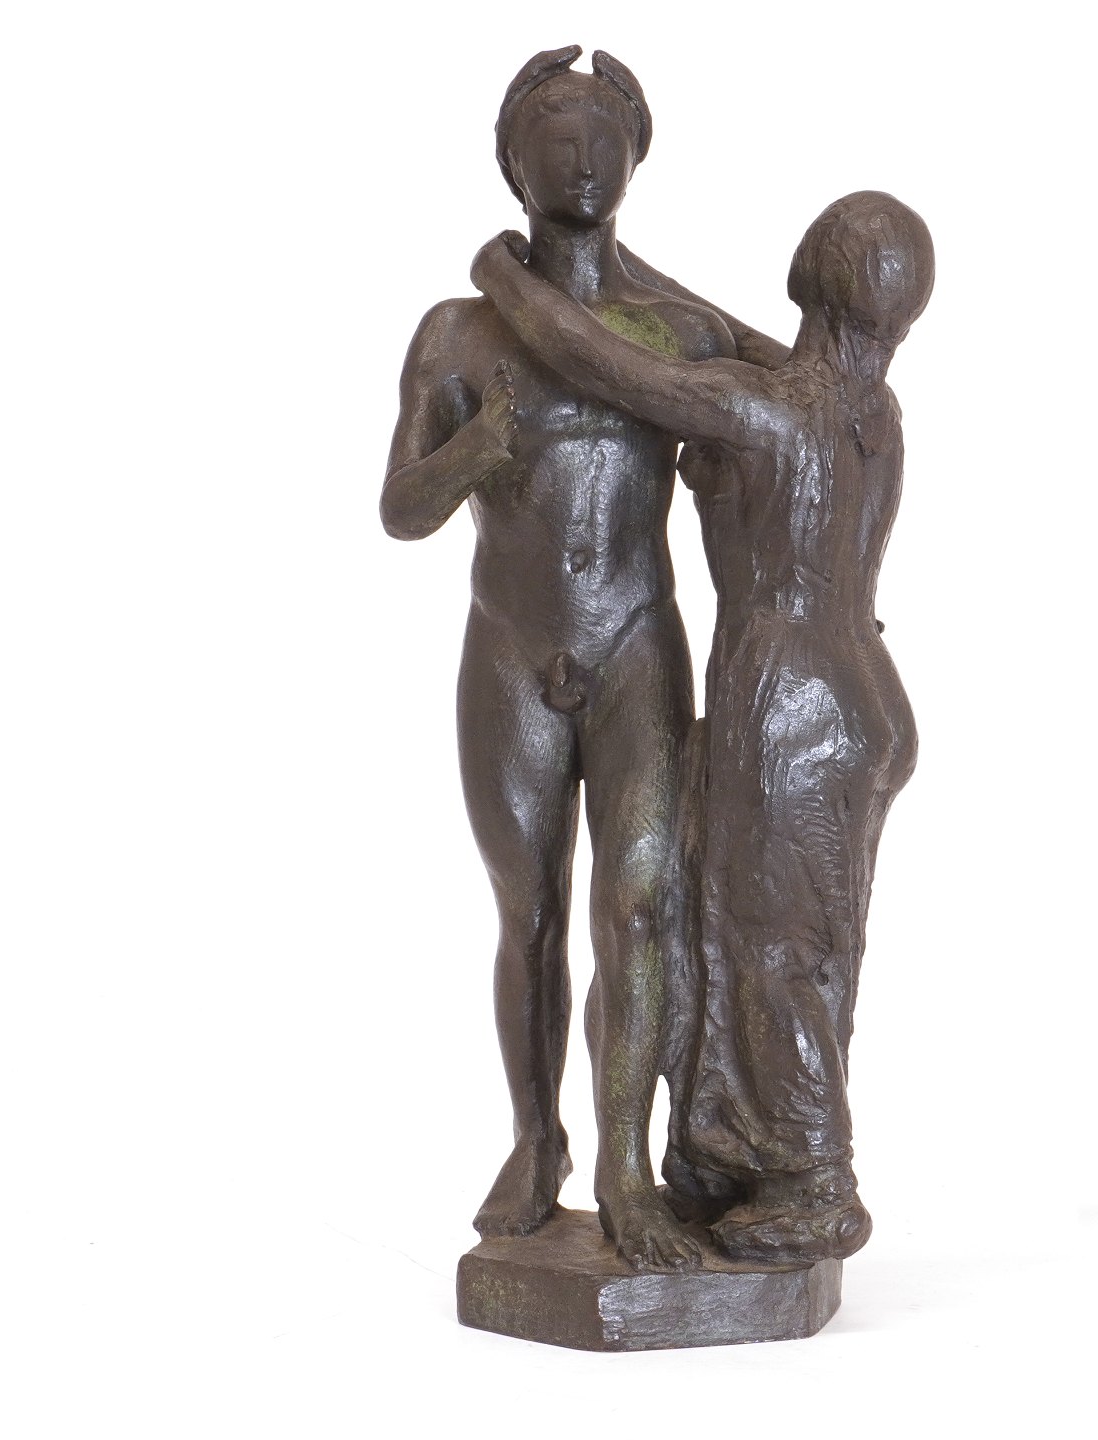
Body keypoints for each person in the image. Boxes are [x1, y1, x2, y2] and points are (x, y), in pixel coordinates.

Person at [471, 190, 935, 1262]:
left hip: (790, 702)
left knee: (775, 950)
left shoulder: (763, 411)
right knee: (792, 936)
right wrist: (626, 267)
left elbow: (607, 366)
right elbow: (729, 338)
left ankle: (816, 1182)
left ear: (807, 274)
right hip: (863, 696)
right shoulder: (870, 412)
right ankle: (731, 1154)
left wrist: (502, 275)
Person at [380, 47, 734, 1270]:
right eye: (555, 136)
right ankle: (539, 1141)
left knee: (641, 904)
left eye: (602, 137)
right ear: (512, 163)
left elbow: (765, 447)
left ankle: (630, 1169)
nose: (581, 157)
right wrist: (476, 450)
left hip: (636, 640)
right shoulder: (459, 332)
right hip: (512, 649)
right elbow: (400, 508)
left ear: (636, 159)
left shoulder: (681, 331)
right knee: (528, 910)